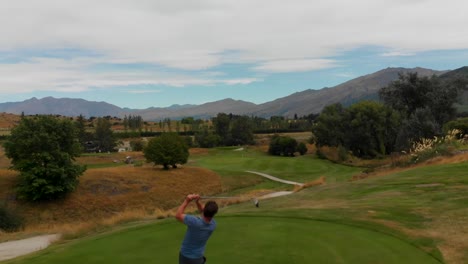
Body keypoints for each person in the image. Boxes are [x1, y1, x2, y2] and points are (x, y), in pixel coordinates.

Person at [176, 194, 218, 264]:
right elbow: (203, 212)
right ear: (214, 213)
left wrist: (187, 201)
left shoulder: (194, 221)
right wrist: (197, 202)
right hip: (198, 258)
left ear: (205, 209)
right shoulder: (213, 225)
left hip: (185, 256)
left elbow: (178, 215)